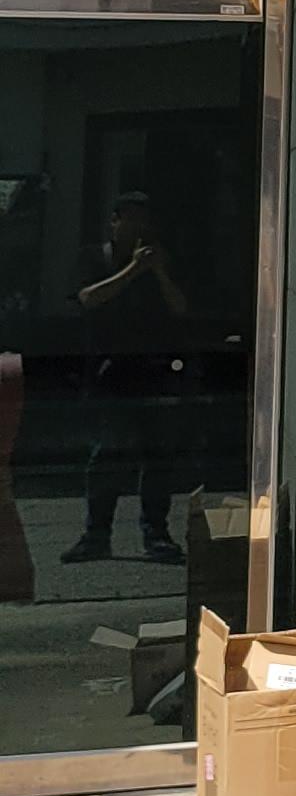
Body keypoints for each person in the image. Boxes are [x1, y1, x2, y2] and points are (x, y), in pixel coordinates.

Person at [65, 192, 190, 566]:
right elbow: (88, 297)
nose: (137, 227)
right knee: (108, 455)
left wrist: (159, 272)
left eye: (143, 220)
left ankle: (157, 535)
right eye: (129, 219)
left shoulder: (160, 260)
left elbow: (180, 307)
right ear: (114, 222)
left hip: (155, 369)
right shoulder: (94, 258)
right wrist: (133, 270)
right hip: (110, 371)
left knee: (158, 456)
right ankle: (96, 535)